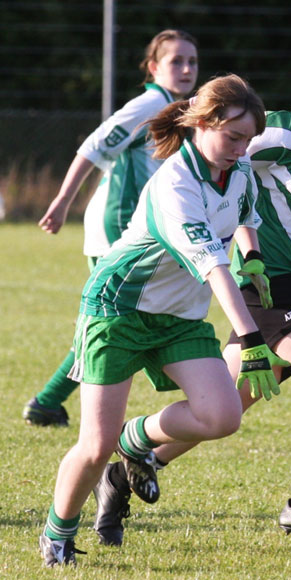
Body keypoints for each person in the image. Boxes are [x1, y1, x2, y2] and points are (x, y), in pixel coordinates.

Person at [93, 31, 291, 545]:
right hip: (274, 281)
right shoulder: (287, 133)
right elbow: (216, 145)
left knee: (224, 405)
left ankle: (132, 456)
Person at [38, 73, 290, 568]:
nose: (241, 149)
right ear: (201, 124)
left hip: (178, 317)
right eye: (232, 137)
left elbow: (245, 217)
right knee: (94, 445)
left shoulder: (236, 173)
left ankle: (137, 441)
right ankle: (57, 533)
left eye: (247, 140)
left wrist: (254, 257)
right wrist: (252, 340)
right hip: (118, 311)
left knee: (222, 416)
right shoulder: (176, 183)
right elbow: (215, 269)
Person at [23, 29, 199, 426]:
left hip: (140, 230)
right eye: (176, 61)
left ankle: (48, 402)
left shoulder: (179, 106)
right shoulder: (150, 103)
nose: (187, 68)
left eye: (193, 61)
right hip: (117, 227)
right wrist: (62, 201)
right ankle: (56, 405)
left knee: (116, 319)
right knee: (116, 320)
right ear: (154, 68)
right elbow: (94, 145)